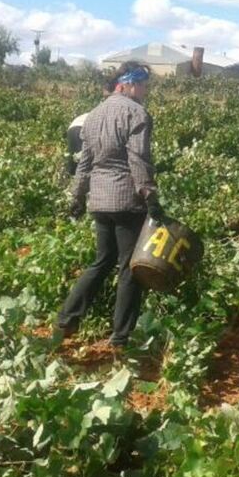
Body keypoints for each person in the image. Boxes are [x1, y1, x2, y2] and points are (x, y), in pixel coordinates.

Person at [55, 61, 163, 348]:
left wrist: (77, 197)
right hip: (127, 199)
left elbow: (85, 163)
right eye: (142, 85)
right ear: (126, 84)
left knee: (102, 261)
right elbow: (137, 159)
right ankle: (120, 337)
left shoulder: (93, 115)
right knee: (129, 267)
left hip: (100, 201)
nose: (144, 91)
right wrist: (150, 195)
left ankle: (67, 318)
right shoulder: (137, 113)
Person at [64, 74, 117, 176]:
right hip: (81, 127)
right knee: (83, 161)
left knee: (75, 159)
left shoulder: (103, 108)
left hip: (74, 126)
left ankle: (69, 180)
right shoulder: (112, 111)